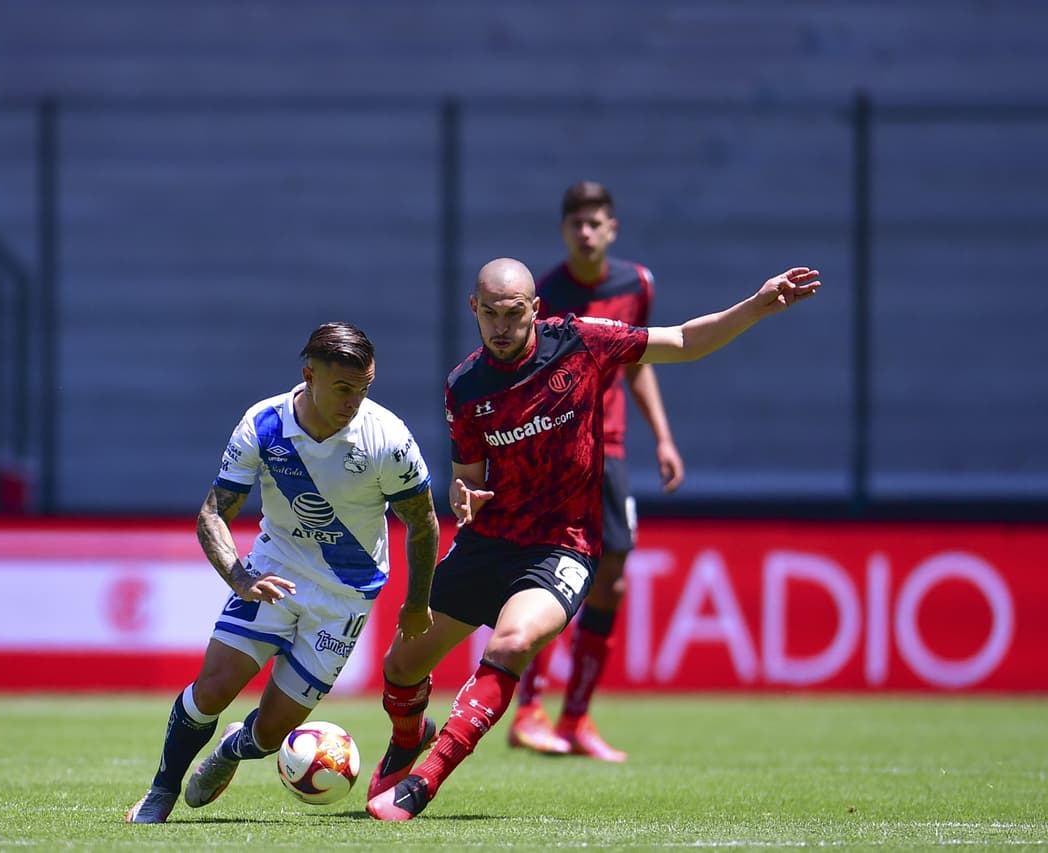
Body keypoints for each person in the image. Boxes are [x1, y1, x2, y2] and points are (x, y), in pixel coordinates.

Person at [365, 257, 820, 821]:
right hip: (490, 541)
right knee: (400, 668)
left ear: (535, 309)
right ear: (473, 311)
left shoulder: (581, 342)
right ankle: (408, 738)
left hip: (564, 543)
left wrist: (756, 304)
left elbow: (681, 340)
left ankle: (426, 782)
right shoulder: (464, 385)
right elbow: (469, 476)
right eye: (491, 315)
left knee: (510, 645)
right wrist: (463, 497)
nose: (502, 327)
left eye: (513, 314)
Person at [126, 321, 439, 823]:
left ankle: (231, 750)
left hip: (346, 595)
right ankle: (161, 792)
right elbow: (213, 513)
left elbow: (422, 524)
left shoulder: (387, 439)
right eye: (342, 388)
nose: (353, 401)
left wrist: (418, 601)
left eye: (363, 389)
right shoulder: (263, 424)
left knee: (271, 735)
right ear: (308, 375)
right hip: (273, 571)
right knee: (213, 688)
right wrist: (239, 578)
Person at [508, 181, 684, 762]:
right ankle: (527, 710)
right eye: (577, 223)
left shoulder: (638, 285)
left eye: (596, 222)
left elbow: (640, 361)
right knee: (547, 572)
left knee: (612, 577)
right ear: (564, 230)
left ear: (612, 229)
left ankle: (576, 717)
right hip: (558, 450)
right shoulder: (545, 294)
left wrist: (662, 436)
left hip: (608, 449)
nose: (586, 232)